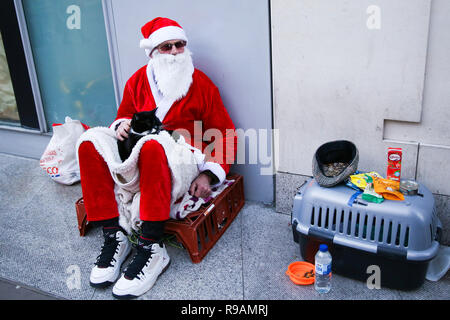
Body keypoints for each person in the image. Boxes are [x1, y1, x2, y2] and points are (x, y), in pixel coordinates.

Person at [77, 17, 236, 299]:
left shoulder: (200, 83)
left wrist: (209, 173)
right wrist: (122, 125)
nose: (175, 51)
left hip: (180, 157)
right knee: (90, 143)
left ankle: (151, 246)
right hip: (137, 157)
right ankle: (115, 234)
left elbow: (225, 133)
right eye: (167, 47)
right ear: (152, 52)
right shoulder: (137, 81)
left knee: (153, 145)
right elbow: (123, 115)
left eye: (180, 45)